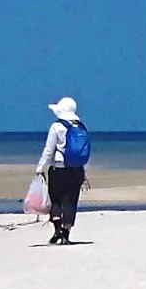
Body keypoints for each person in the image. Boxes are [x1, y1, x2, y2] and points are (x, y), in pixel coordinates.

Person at [34, 96, 90, 245]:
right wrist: (83, 172)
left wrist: (40, 168)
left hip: (58, 168)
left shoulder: (56, 127)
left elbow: (48, 150)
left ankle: (58, 230)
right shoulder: (81, 127)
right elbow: (84, 152)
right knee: (70, 202)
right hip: (76, 169)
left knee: (56, 200)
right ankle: (65, 234)